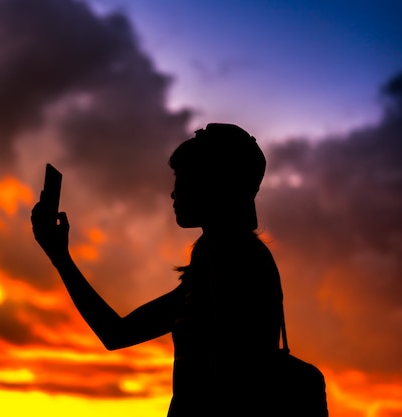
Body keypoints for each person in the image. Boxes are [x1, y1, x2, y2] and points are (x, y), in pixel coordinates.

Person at [31, 123, 284, 416]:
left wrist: (60, 257)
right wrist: (60, 256)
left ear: (211, 184)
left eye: (182, 177)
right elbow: (117, 334)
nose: (173, 193)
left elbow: (231, 385)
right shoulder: (219, 258)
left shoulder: (234, 259)